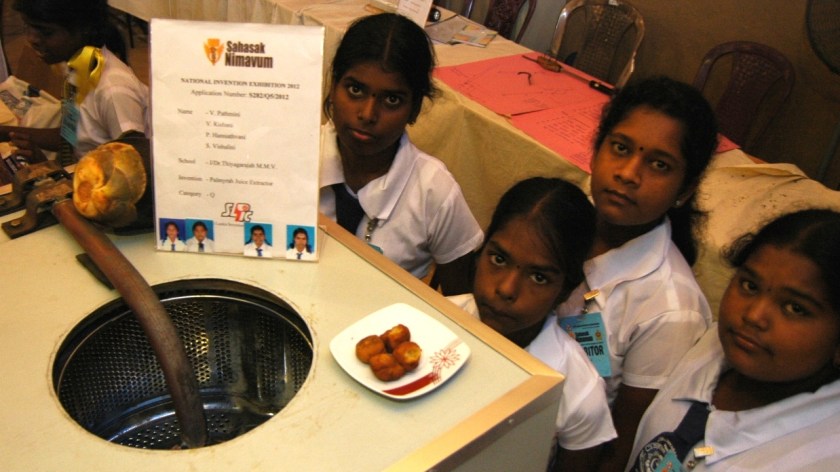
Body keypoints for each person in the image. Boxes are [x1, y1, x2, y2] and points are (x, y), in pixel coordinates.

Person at [526, 76, 719, 471]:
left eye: (659, 165)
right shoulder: (558, 223)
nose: (629, 173)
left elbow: (620, 441)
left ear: (684, 189)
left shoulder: (671, 308)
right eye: (620, 148)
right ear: (596, 152)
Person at [626, 209, 840, 471]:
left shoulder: (822, 459)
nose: (753, 315)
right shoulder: (709, 347)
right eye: (749, 285)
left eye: (795, 308)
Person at [448, 177, 615, 471]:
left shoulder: (578, 392)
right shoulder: (438, 320)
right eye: (498, 259)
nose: (507, 289)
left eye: (538, 277)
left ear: (565, 290)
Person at [319, 12, 482, 295]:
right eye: (355, 89)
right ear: (333, 87)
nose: (368, 114)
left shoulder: (435, 191)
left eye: (391, 99)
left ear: (415, 108)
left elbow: (461, 302)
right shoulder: (296, 152)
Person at [0, 0, 148, 163]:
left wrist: (50, 172)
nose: (31, 39)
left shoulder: (114, 91)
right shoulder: (81, 67)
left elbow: (133, 171)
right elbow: (70, 137)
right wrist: (6, 133)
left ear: (83, 30)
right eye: (28, 27)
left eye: (46, 32)